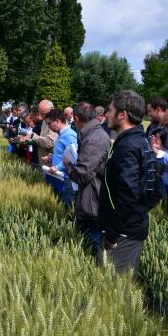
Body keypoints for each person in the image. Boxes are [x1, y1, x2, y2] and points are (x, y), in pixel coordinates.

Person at [99, 90, 152, 275]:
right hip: (131, 227)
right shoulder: (138, 140)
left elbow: (128, 196)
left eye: (110, 110)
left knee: (114, 286)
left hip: (123, 233)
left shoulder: (128, 146)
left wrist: (113, 234)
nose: (106, 114)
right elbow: (152, 188)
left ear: (122, 115)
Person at [64, 102, 111, 258]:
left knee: (93, 248)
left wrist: (69, 165)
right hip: (90, 198)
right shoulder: (92, 134)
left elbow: (83, 174)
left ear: (76, 118)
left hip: (92, 202)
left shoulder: (94, 138)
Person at [44, 109, 78, 207]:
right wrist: (51, 158)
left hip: (67, 180)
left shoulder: (69, 135)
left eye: (49, 123)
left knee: (66, 208)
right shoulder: (61, 134)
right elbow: (63, 154)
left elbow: (73, 158)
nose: (49, 127)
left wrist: (57, 167)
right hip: (59, 177)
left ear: (57, 121)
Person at [18, 99, 58, 165]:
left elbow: (50, 143)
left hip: (52, 163)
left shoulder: (55, 121)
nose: (42, 116)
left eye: (43, 114)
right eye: (41, 113)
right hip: (44, 161)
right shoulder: (44, 121)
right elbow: (42, 139)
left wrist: (32, 136)